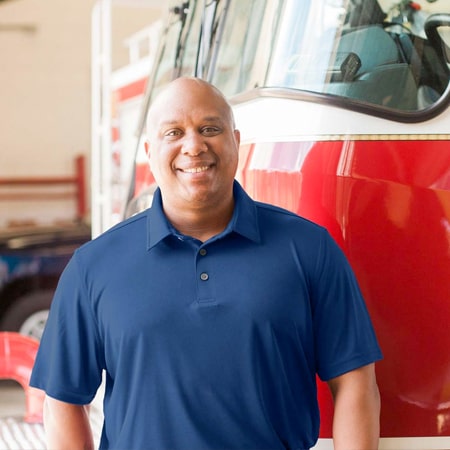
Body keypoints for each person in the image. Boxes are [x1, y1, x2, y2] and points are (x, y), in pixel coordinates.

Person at [31, 77, 382, 450]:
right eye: (174, 132)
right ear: (151, 152)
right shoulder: (93, 267)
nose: (194, 146)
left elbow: (355, 382)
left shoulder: (310, 249)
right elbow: (64, 401)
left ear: (236, 141)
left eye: (209, 129)